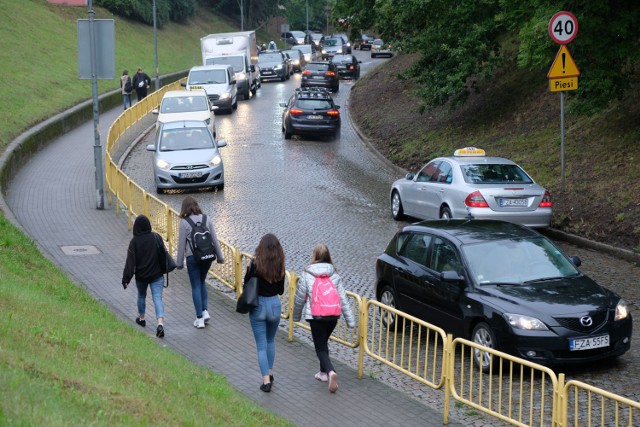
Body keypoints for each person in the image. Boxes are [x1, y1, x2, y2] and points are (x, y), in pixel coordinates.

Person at [292, 243, 355, 393]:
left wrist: (295, 316)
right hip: (333, 316)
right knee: (323, 342)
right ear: (328, 256)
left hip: (316, 316)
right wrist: (350, 320)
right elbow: (343, 299)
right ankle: (322, 374)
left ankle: (330, 372)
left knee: (320, 347)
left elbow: (300, 298)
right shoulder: (335, 275)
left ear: (314, 256)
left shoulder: (307, 274)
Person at [244, 233, 286, 393]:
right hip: (275, 305)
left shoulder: (255, 264)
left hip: (259, 306)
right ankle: (270, 371)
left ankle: (266, 381)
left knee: (261, 345)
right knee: (270, 341)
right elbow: (281, 291)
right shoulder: (280, 266)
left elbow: (247, 284)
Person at [176, 196, 224, 329]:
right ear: (196, 205)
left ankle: (199, 319)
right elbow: (214, 240)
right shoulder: (206, 219)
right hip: (207, 257)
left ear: (184, 208)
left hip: (193, 259)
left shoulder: (184, 223)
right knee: (202, 282)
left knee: (196, 286)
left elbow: (181, 245)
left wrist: (179, 263)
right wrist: (220, 257)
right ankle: (205, 311)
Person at [121, 215, 167, 338]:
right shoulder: (156, 237)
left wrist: (126, 279)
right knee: (157, 297)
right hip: (157, 274)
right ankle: (160, 323)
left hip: (141, 276)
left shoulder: (134, 242)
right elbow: (163, 254)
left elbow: (130, 263)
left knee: (141, 295)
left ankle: (141, 318)